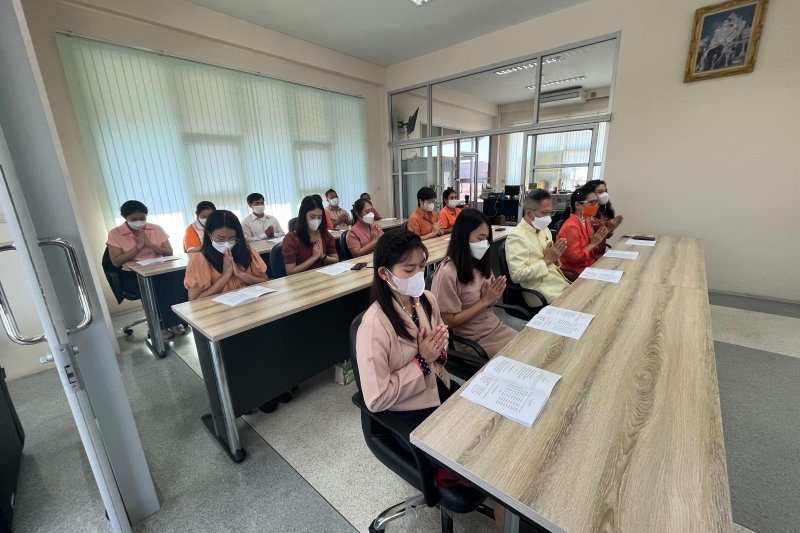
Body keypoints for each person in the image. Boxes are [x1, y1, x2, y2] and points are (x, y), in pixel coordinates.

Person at [356, 230, 507, 531]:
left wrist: (438, 350)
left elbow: (441, 338)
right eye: (409, 270)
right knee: (493, 469)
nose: (418, 275)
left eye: (422, 266)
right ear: (385, 273)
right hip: (408, 411)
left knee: (499, 438)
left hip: (440, 390)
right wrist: (422, 360)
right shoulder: (373, 326)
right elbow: (375, 398)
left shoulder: (424, 299)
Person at [432, 209, 517, 359]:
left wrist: (491, 298)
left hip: (494, 326)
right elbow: (446, 322)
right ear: (463, 237)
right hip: (473, 340)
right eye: (480, 237)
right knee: (519, 359)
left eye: (486, 238)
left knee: (531, 347)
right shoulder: (448, 272)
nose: (485, 243)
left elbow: (489, 302)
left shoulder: (478, 263)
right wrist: (484, 302)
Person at [106, 200, 185, 339]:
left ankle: (173, 321)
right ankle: (159, 325)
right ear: (125, 218)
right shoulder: (115, 233)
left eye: (142, 218)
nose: (139, 222)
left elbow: (168, 252)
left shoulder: (155, 229)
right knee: (154, 290)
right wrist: (138, 247)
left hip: (158, 270)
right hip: (132, 275)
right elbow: (116, 261)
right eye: (133, 219)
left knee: (178, 283)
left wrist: (149, 244)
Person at [184, 210, 268, 301]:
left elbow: (265, 281)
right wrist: (225, 275)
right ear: (209, 234)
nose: (227, 243)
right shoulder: (199, 259)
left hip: (248, 305)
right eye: (220, 238)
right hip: (217, 311)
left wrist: (241, 274)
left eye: (232, 238)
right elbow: (194, 300)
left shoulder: (247, 251)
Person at [505, 189, 570, 306]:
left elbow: (551, 262)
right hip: (542, 294)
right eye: (544, 213)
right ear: (529, 213)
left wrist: (554, 257)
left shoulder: (544, 229)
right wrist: (547, 260)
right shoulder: (517, 237)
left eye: (551, 212)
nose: (549, 217)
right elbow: (517, 275)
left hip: (558, 283)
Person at [283, 196, 339, 275]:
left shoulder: (325, 235)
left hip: (323, 277)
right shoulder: (292, 238)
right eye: (312, 217)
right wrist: (313, 258)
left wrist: (323, 256)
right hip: (302, 279)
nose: (316, 220)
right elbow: (290, 271)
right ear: (303, 215)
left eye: (319, 217)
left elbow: (335, 259)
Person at [558, 187, 608, 274]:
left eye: (596, 201)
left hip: (588, 264)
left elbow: (591, 252)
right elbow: (574, 259)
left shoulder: (586, 222)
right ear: (578, 205)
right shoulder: (571, 227)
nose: (596, 205)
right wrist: (593, 243)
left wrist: (595, 243)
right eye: (592, 202)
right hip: (575, 270)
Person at [583, 180, 623, 255]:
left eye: (606, 191)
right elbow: (591, 239)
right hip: (590, 255)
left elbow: (607, 237)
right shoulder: (586, 213)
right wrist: (609, 229)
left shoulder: (604, 211)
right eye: (600, 192)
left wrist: (611, 229)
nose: (604, 194)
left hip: (601, 253)